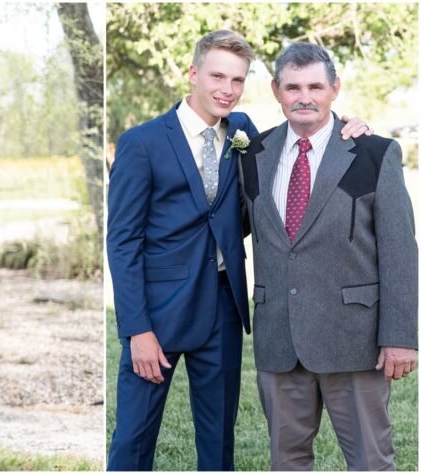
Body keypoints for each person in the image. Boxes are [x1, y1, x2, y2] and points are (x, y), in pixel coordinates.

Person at [106, 30, 370, 471]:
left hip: (223, 310)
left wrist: (347, 125)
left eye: (237, 80)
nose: (226, 90)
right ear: (193, 74)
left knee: (218, 441)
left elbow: (303, 132)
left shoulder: (244, 132)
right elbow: (123, 241)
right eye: (216, 76)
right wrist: (137, 330)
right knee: (133, 438)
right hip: (158, 314)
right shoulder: (142, 143)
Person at [238, 42, 417, 471]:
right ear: (276, 91)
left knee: (371, 461)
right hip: (279, 337)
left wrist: (400, 336)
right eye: (293, 86)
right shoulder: (251, 156)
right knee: (287, 461)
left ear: (334, 89)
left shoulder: (374, 153)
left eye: (316, 86)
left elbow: (400, 250)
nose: (305, 97)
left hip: (354, 339)